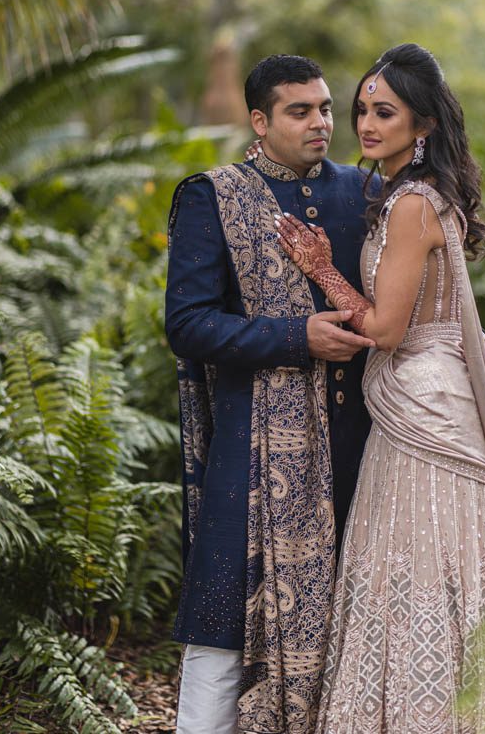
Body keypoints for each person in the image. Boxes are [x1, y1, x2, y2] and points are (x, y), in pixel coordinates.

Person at [275, 43, 485, 733]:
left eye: (384, 113)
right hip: (428, 397)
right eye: (361, 112)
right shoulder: (418, 197)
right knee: (440, 560)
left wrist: (320, 267)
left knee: (416, 557)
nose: (365, 126)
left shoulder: (409, 206)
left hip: (420, 407)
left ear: (423, 125)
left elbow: (383, 329)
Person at [164, 54, 379, 734]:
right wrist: (295, 338)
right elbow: (188, 324)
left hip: (363, 442)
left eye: (323, 108)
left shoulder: (365, 192)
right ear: (258, 120)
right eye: (299, 110)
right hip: (253, 446)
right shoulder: (212, 195)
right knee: (224, 611)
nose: (320, 122)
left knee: (355, 618)